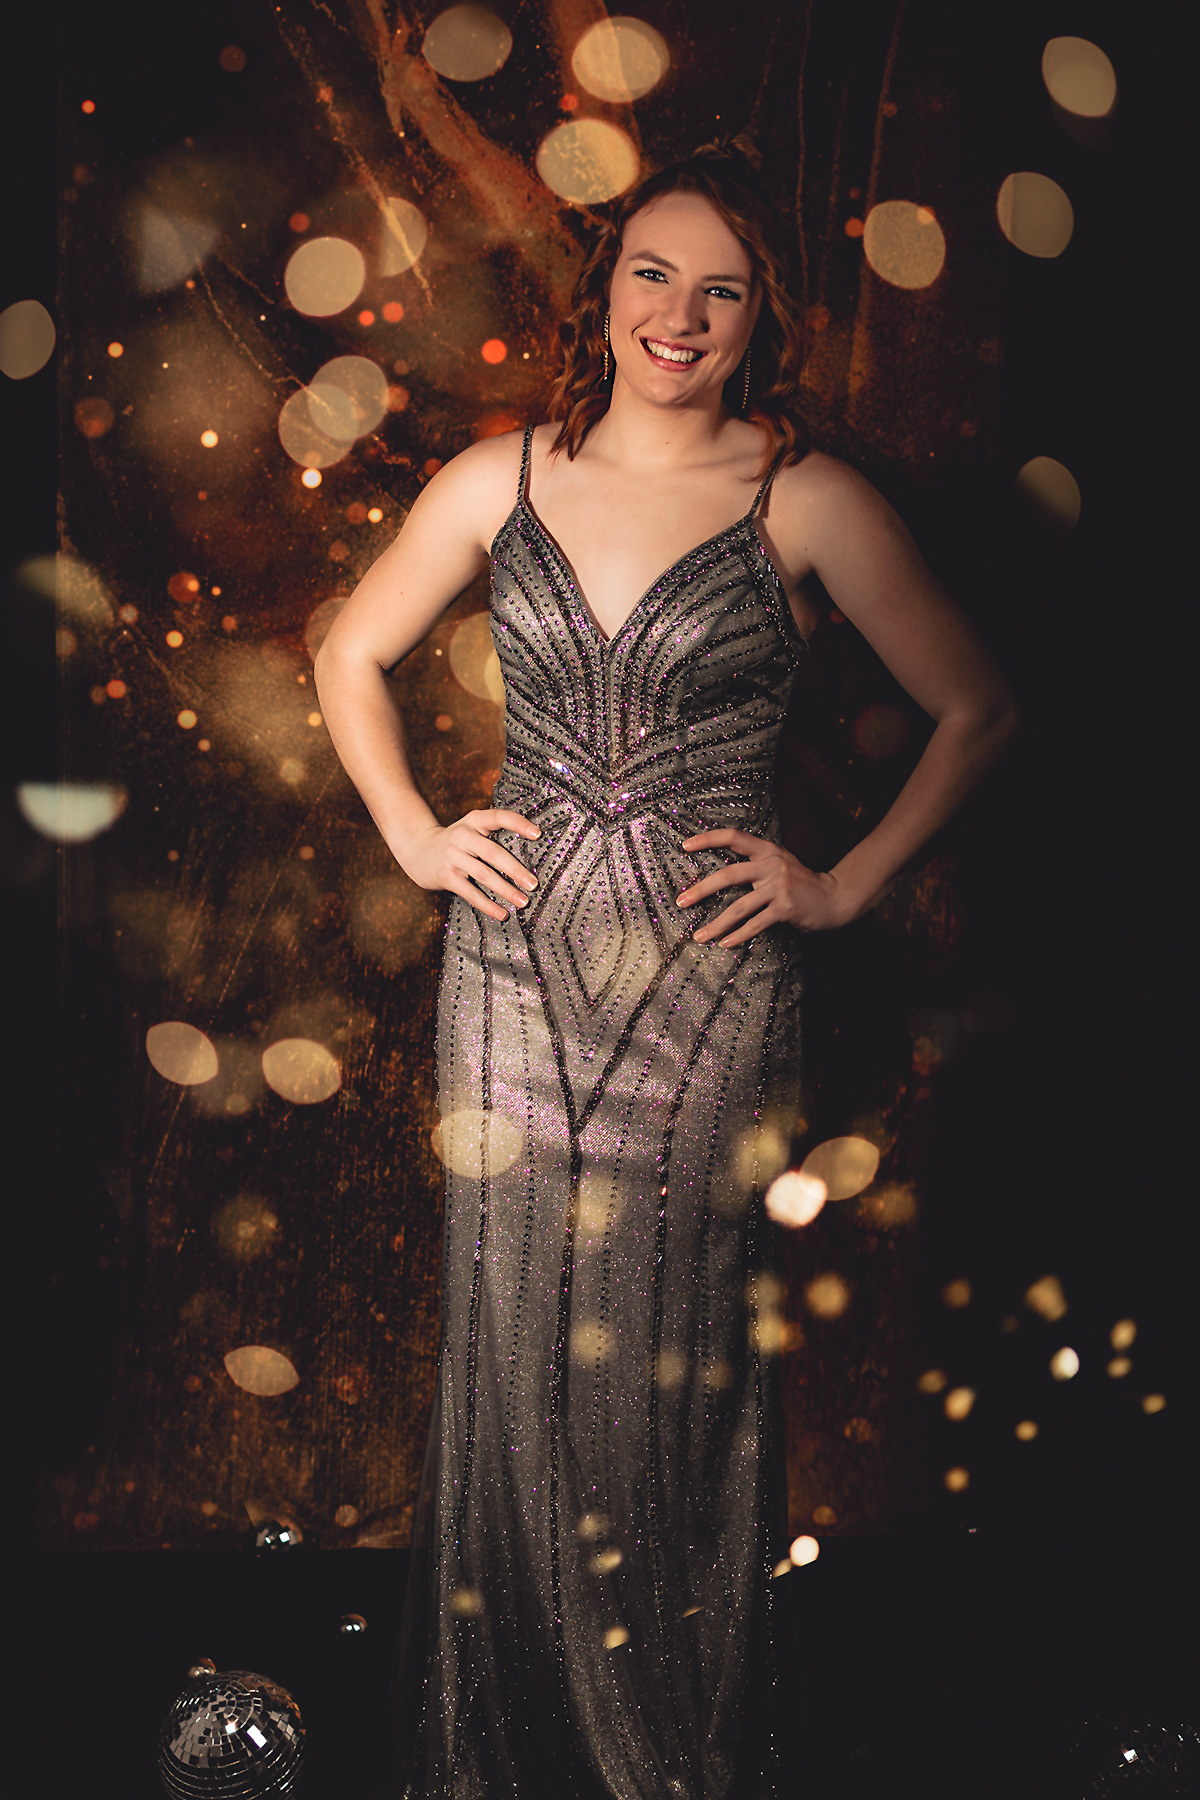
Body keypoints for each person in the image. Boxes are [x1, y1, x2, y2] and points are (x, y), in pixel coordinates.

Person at [314, 139, 1017, 1799]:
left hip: (709, 995)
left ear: (763, 316)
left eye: (721, 289)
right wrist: (416, 836)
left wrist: (837, 887)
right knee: (512, 1352)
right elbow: (349, 652)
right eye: (652, 274)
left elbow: (983, 707)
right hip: (510, 978)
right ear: (607, 291)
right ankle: (504, 1748)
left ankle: (668, 1753)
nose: (679, 315)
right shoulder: (499, 477)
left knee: (671, 1363)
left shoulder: (806, 497)